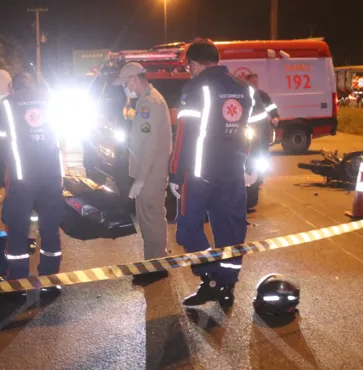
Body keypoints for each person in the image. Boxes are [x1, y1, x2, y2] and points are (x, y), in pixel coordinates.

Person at [168, 38, 270, 309]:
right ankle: (225, 286)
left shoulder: (195, 88)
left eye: (189, 65)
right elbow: (263, 128)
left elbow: (185, 136)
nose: (189, 70)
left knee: (188, 229)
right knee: (231, 232)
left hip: (199, 176)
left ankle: (210, 279)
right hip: (234, 174)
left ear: (195, 63)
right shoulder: (246, 88)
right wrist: (254, 166)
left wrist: (175, 174)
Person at [0, 72, 65, 295]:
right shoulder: (51, 101)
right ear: (33, 85)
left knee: (17, 230)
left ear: (13, 86)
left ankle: (17, 285)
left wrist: (10, 161)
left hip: (21, 178)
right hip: (51, 176)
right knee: (50, 229)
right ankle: (51, 282)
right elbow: (63, 136)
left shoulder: (6, 104)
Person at [113, 62, 173, 271]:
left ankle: (156, 266)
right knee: (148, 217)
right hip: (150, 170)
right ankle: (154, 259)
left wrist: (141, 179)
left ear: (133, 80)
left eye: (124, 83)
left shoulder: (149, 103)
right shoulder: (146, 100)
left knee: (151, 216)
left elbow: (149, 146)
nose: (124, 88)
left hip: (151, 172)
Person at [245, 73, 280, 144]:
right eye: (252, 82)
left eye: (256, 82)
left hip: (261, 127)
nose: (255, 84)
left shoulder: (262, 95)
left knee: (262, 147)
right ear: (247, 83)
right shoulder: (243, 95)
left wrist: (275, 117)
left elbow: (270, 107)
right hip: (247, 127)